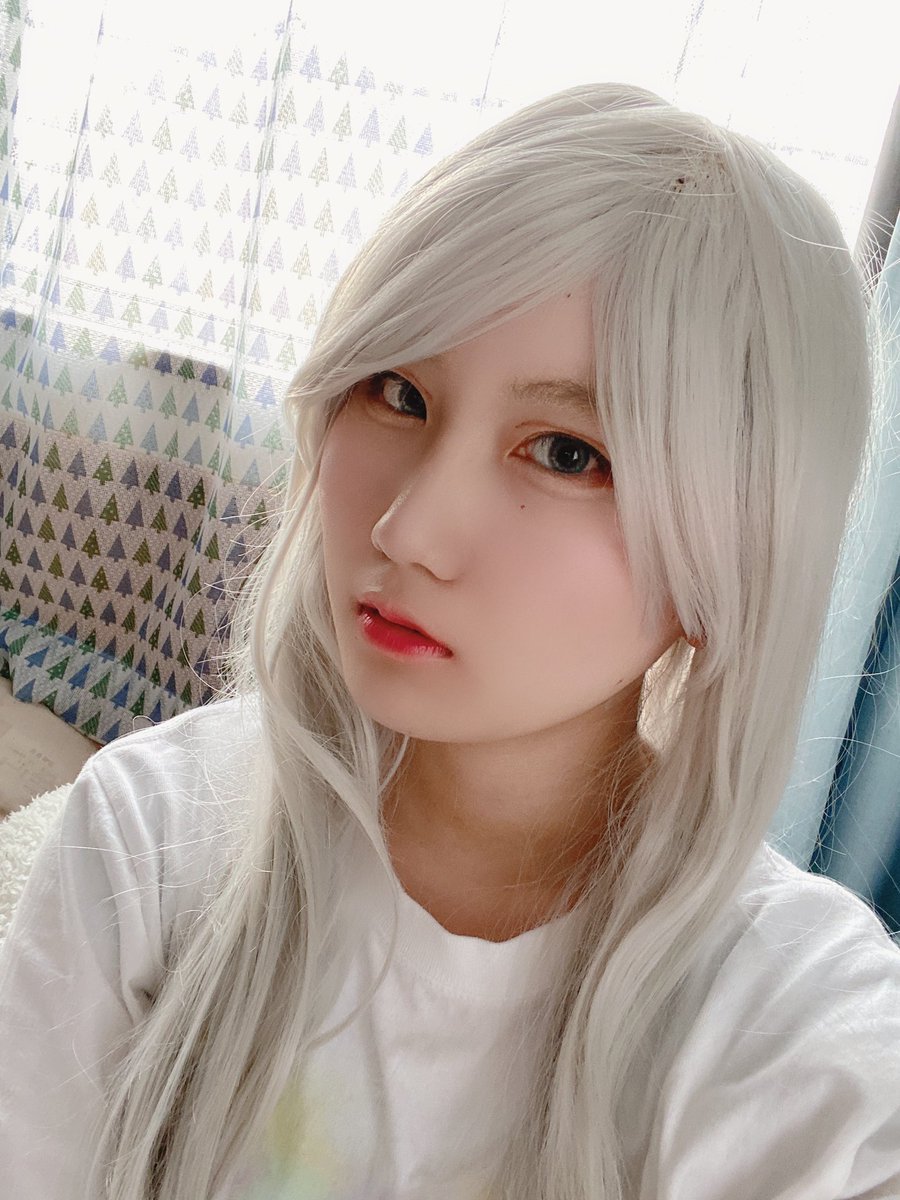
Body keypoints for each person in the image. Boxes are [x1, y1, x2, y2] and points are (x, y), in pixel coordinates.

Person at [1, 81, 899, 1200]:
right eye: (397, 391)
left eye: (567, 454)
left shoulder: (808, 1054)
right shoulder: (147, 838)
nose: (406, 529)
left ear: (739, 553)